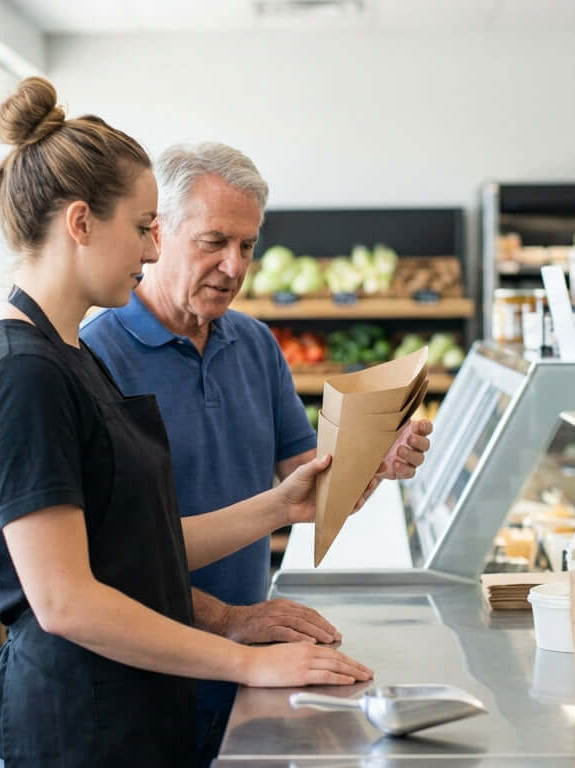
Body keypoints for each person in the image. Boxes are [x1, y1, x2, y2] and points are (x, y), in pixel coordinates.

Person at [0, 77, 372, 768]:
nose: (152, 251)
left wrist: (277, 505)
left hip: (130, 720)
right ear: (81, 223)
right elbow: (67, 601)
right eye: (144, 227)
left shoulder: (66, 354)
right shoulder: (21, 372)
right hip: (70, 734)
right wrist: (245, 661)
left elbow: (133, 548)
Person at [80, 141, 433, 764]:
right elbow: (104, 559)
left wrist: (371, 460)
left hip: (244, 671)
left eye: (247, 246)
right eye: (213, 241)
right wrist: (228, 620)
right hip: (140, 684)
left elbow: (311, 493)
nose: (234, 265)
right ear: (158, 232)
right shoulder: (96, 357)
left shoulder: (255, 344)